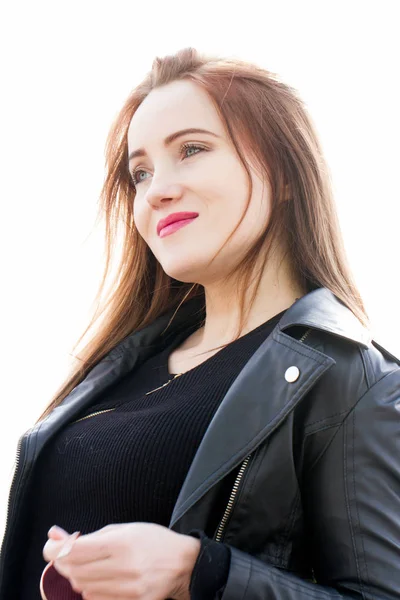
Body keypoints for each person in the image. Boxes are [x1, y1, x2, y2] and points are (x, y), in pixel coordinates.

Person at [1, 46, 399, 600]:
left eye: (191, 149)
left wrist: (202, 572)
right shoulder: (126, 361)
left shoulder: (355, 382)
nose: (156, 190)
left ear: (283, 173)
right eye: (140, 172)